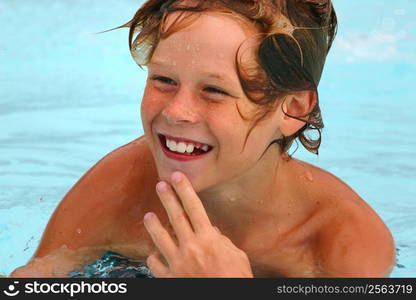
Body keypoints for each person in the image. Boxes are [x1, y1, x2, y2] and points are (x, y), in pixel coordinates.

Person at [10, 0, 395, 277]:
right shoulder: (124, 185)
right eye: (163, 80)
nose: (176, 112)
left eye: (215, 91)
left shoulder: (343, 245)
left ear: (293, 108)